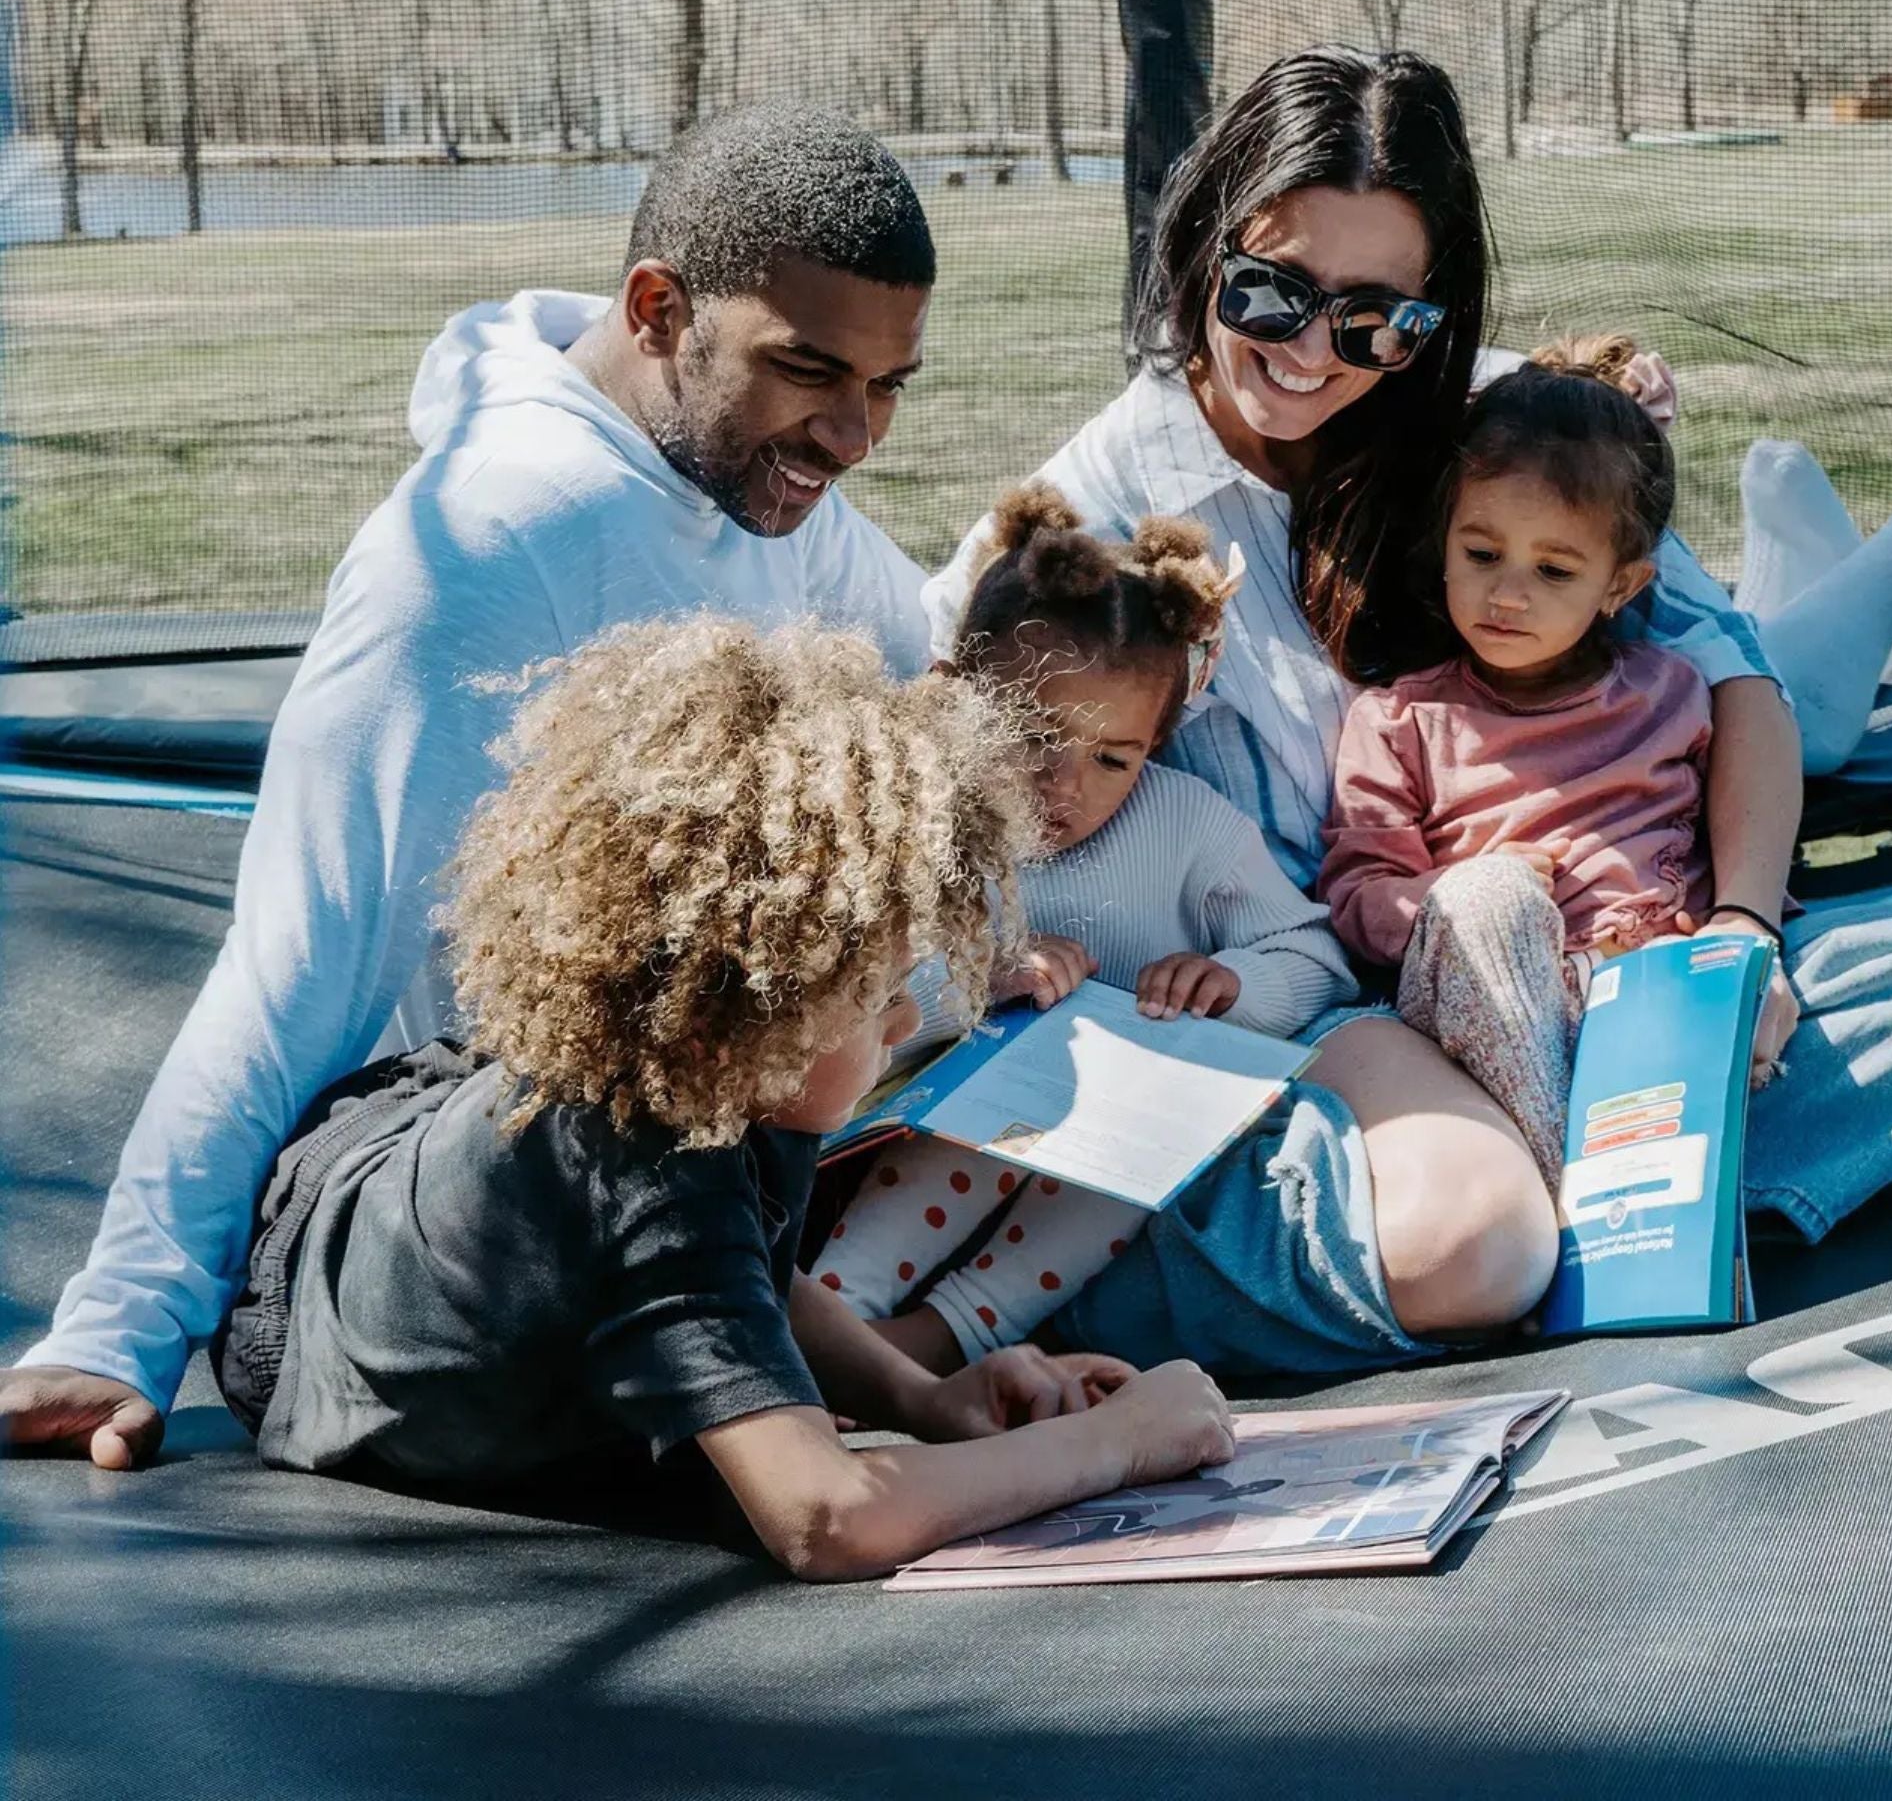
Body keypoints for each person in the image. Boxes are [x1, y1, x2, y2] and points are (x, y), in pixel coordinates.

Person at [926, 46, 1892, 1354]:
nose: (1315, 353)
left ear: (1432, 309)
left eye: (1375, 317)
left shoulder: (1513, 431)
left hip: (1597, 979)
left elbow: (1740, 685)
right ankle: (1506, 1224)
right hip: (1309, 1024)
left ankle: (1592, 1211)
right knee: (1463, 1235)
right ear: (1203, 239)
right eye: (1269, 291)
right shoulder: (1083, 536)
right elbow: (936, 798)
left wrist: (1738, 930)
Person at [2, 103, 946, 1469]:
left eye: (890, 383)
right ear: (657, 309)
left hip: (706, 1166)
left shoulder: (756, 484)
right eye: (810, 369)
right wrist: (121, 1324)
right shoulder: (480, 557)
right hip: (490, 1233)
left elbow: (929, 656)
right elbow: (299, 964)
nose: (857, 434)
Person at [209, 617, 1235, 1581]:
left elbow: (735, 1261)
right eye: (874, 996)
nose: (894, 1026)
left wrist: (919, 1396)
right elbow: (828, 1514)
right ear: (731, 1012)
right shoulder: (639, 1169)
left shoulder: (727, 1071)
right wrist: (1114, 1443)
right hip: (310, 1314)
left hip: (429, 1161)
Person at [812, 485, 1356, 1369]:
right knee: (996, 1123)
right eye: (1032, 737)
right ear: (954, 697)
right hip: (901, 1138)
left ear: (1159, 740)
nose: (1064, 785)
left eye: (1113, 757)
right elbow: (836, 1000)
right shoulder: (915, 818)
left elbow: (1317, 957)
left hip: (1113, 1143)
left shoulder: (1188, 825)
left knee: (1148, 1130)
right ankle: (830, 1321)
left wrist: (1231, 985)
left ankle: (944, 1337)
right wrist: (974, 984)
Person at [1318, 342, 1735, 1189]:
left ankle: (1708, 1179)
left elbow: (1716, 858)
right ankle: (1563, 1188)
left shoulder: (1675, 695)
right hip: (1491, 1027)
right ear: (1444, 546)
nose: (1508, 594)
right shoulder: (1400, 719)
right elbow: (1360, 900)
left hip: (1649, 1020)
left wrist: (1708, 952)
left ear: (1621, 585)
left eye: (1553, 570)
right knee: (1492, 897)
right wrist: (1465, 895)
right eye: (1482, 556)